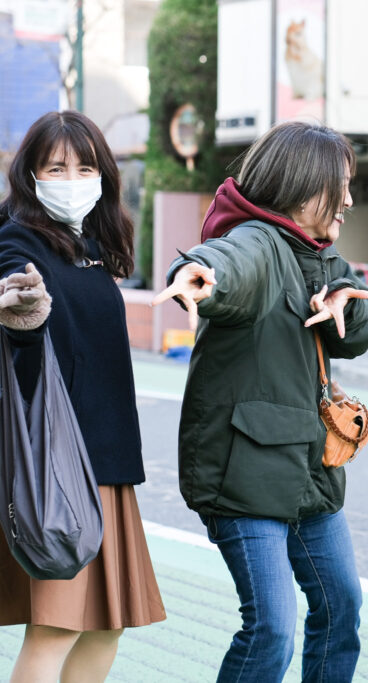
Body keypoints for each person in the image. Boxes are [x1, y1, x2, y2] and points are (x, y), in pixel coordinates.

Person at [151, 120, 368, 683]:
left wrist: (346, 305)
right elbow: (226, 264)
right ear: (301, 186)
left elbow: (360, 332)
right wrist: (197, 275)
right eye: (341, 186)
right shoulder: (257, 240)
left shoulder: (320, 256)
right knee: (272, 627)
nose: (349, 200)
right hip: (245, 476)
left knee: (342, 606)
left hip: (308, 469)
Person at [0, 111, 166, 681]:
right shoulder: (17, 239)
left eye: (85, 168)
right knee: (57, 628)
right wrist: (22, 310)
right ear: (31, 176)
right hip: (58, 459)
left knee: (104, 626)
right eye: (56, 168)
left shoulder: (88, 245)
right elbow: (17, 295)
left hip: (105, 459)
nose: (72, 180)